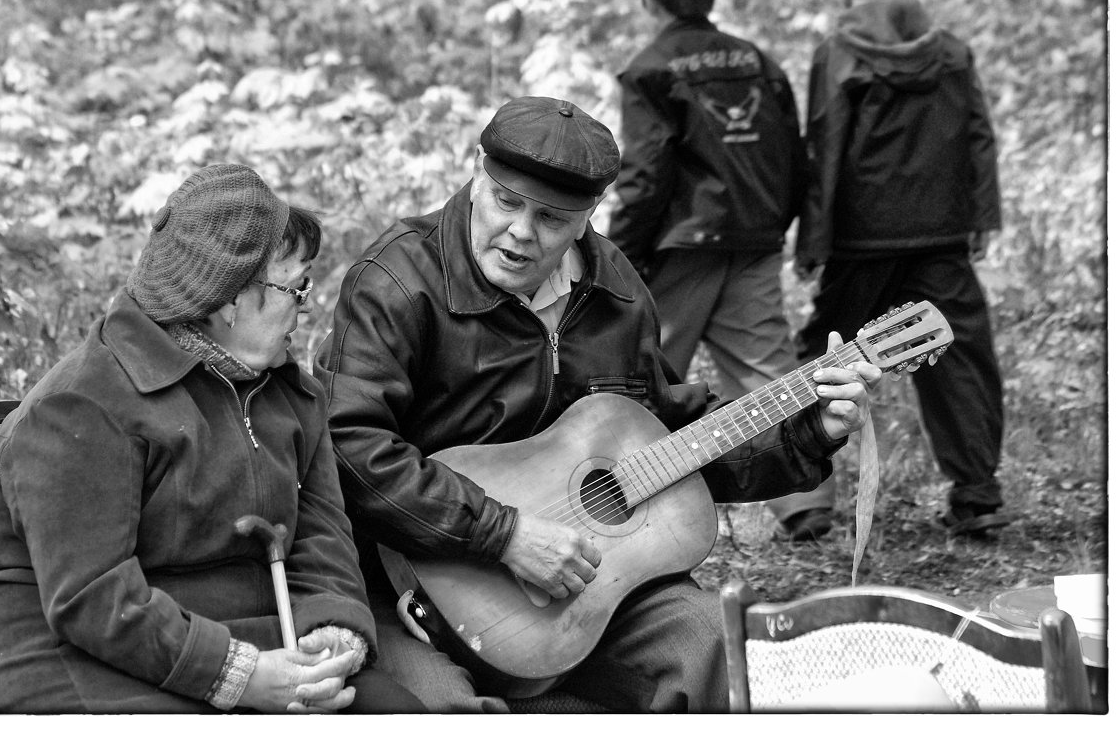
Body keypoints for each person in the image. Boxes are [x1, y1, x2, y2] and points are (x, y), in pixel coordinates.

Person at [314, 95, 880, 712]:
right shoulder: (398, 281)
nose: (522, 233)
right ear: (476, 175)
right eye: (507, 202)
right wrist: (504, 536)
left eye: (553, 218)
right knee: (438, 712)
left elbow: (672, 439)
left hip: (590, 588)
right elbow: (348, 445)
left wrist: (806, 433)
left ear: (588, 216)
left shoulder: (615, 291)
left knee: (711, 640)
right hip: (413, 578)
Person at [0, 163, 425, 713]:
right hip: (87, 661)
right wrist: (239, 676)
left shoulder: (291, 395)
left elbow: (322, 533)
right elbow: (91, 596)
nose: (306, 308)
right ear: (229, 298)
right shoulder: (83, 403)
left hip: (257, 640)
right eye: (296, 287)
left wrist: (332, 630)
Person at [607, 0, 833, 542]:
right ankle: (807, 503)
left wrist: (621, 253)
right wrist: (789, 225)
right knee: (766, 366)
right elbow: (793, 152)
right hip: (755, 235)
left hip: (679, 245)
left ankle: (621, 499)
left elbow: (647, 170)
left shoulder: (650, 68)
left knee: (644, 374)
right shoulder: (759, 60)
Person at [794, 0, 1008, 537]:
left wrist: (813, 242)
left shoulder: (837, 51)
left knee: (823, 359)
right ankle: (977, 494)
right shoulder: (952, 50)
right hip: (941, 229)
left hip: (863, 235)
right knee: (960, 358)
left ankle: (804, 500)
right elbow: (978, 133)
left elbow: (825, 143)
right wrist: (981, 215)